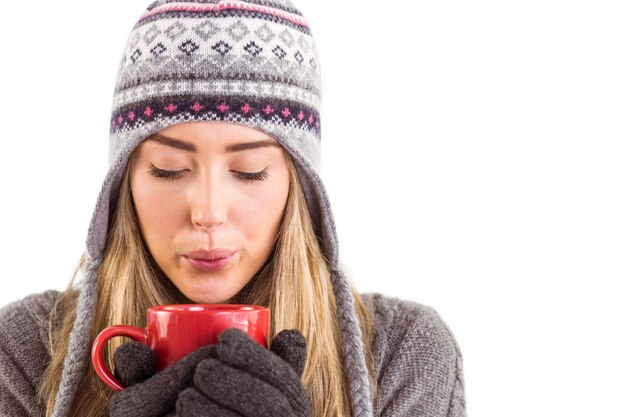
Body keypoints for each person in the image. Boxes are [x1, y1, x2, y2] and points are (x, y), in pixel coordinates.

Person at [0, 1, 466, 416]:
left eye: (249, 171)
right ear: (123, 182)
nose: (207, 212)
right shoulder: (26, 350)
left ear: (298, 185)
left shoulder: (404, 354)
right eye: (166, 168)